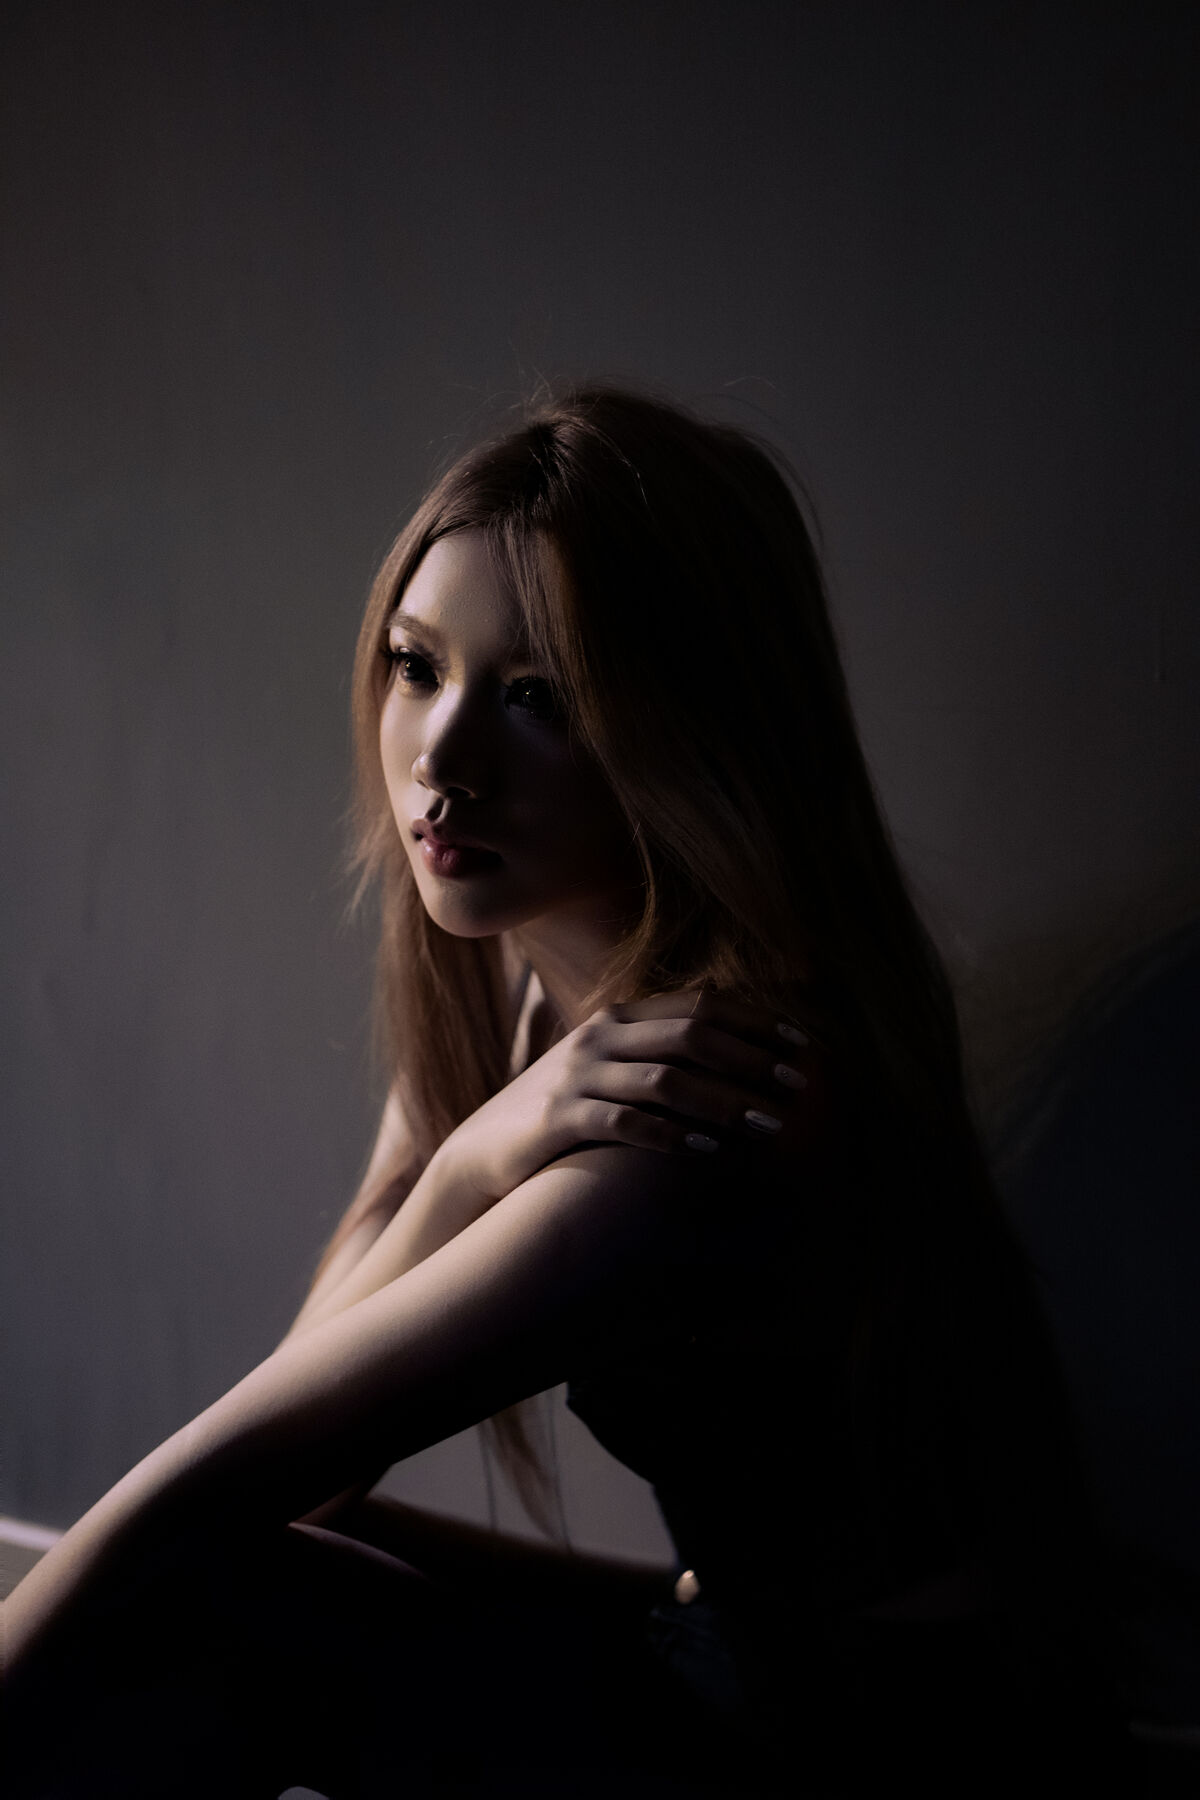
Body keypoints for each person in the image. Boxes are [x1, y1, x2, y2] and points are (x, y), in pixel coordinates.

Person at [4, 385, 1130, 1797]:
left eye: (539, 698)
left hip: (894, 1752)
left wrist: (474, 1161)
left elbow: (243, 1475)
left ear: (690, 731)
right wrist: (473, 1160)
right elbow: (307, 1418)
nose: (442, 758)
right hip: (733, 1640)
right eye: (417, 666)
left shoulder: (696, 1109)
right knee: (261, 1566)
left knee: (227, 1595)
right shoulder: (523, 967)